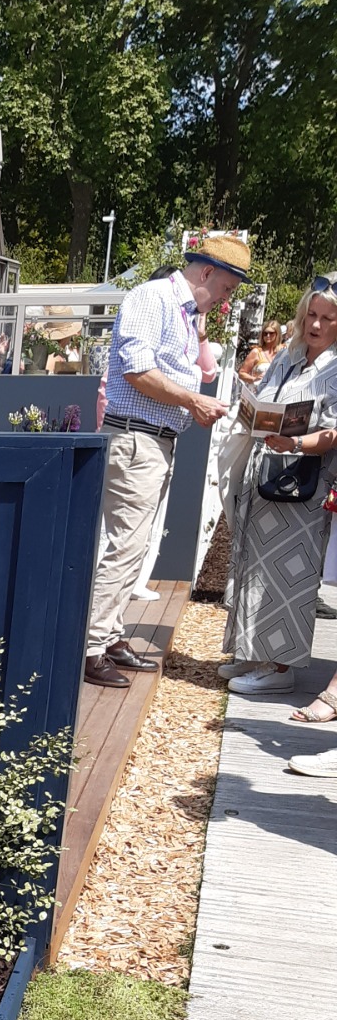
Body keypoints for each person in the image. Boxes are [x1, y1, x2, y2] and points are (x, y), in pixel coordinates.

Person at [83, 237, 248, 687]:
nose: (225, 300)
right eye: (227, 289)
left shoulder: (182, 311)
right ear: (206, 272)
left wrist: (192, 398)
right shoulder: (152, 298)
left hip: (152, 441)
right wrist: (193, 400)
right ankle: (91, 647)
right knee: (125, 547)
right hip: (136, 439)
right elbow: (137, 371)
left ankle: (109, 636)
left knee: (134, 547)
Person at [221, 280, 337, 699]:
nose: (316, 324)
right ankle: (253, 653)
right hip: (266, 475)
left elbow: (334, 433)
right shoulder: (289, 356)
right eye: (312, 314)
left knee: (290, 576)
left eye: (328, 318)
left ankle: (280, 665)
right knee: (254, 569)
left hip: (304, 484)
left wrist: (296, 443)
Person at [238, 319, 283, 386]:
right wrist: (254, 379)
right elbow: (241, 373)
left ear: (277, 334)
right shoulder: (256, 352)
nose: (268, 335)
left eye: (271, 333)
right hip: (257, 390)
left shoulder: (282, 353)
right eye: (265, 333)